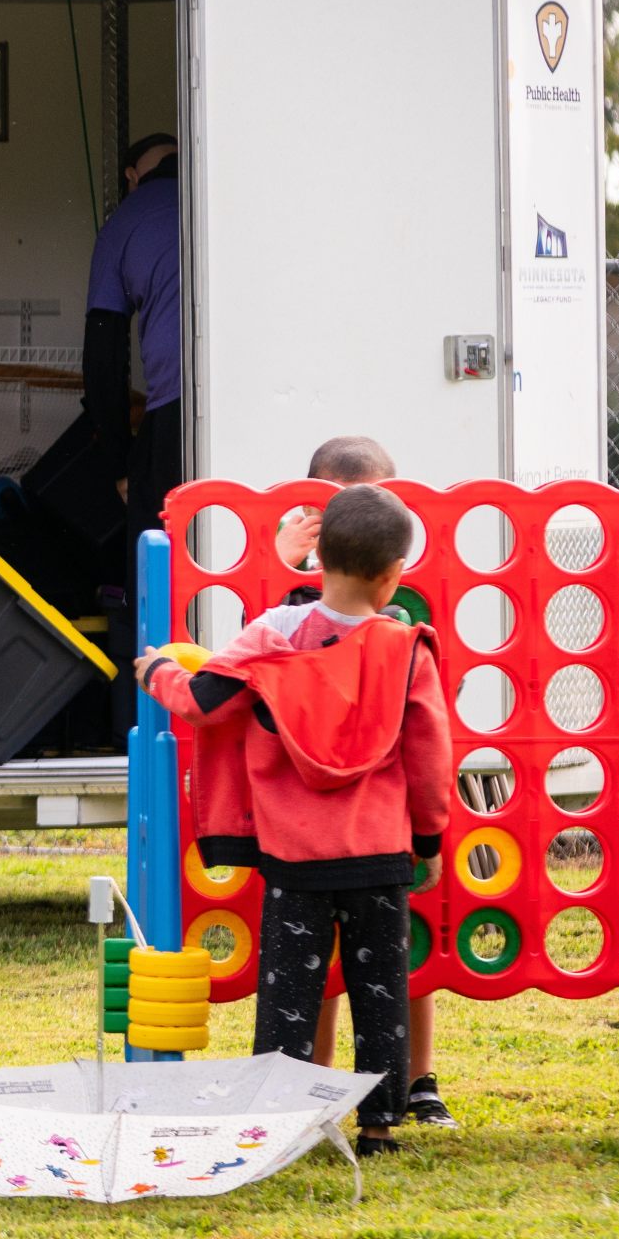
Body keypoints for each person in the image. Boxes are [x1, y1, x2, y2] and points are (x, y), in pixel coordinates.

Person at [134, 485, 452, 1155]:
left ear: (319, 558)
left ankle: (275, 1124)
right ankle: (380, 1123)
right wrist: (427, 837)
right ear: (393, 577)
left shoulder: (269, 638)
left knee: (289, 994)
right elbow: (428, 755)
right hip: (379, 857)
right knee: (379, 993)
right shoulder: (407, 649)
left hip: (295, 859)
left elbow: (200, 701)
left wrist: (158, 670)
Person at [267, 434, 460, 1131]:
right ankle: (313, 1089)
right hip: (318, 826)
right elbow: (256, 640)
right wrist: (282, 561)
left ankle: (416, 1082)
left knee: (395, 956)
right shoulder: (288, 604)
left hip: (367, 823)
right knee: (317, 964)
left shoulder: (403, 612)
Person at [85, 134, 182, 550]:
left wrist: (120, 463)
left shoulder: (125, 220)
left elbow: (104, 358)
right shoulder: (219, 192)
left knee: (156, 539)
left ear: (131, 176)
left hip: (175, 404)